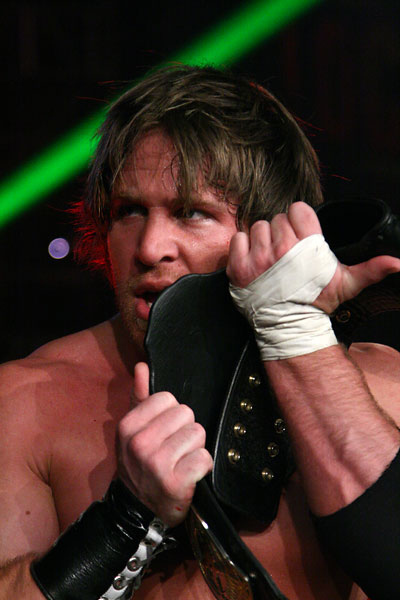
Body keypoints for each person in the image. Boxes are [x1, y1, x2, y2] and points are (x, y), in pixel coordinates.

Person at [0, 64, 399, 600]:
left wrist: (300, 342)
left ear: (268, 233)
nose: (149, 248)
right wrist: (123, 518)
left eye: (191, 213)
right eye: (129, 211)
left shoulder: (380, 385)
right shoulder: (25, 402)